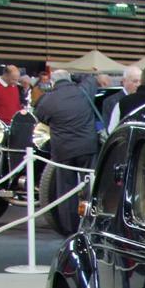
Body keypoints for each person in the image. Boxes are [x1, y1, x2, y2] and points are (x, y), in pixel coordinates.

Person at [33, 69, 98, 235]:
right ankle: (92, 224)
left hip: (63, 150)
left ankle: (70, 229)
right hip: (87, 147)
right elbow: (91, 78)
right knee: (91, 186)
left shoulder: (48, 100)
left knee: (66, 191)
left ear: (53, 82)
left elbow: (39, 115)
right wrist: (75, 76)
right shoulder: (83, 91)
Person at [105, 65, 141, 133]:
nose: (138, 85)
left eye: (140, 81)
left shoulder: (142, 99)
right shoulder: (111, 101)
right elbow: (110, 129)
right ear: (124, 81)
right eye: (135, 81)